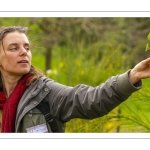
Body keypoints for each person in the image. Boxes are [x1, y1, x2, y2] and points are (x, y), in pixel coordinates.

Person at [0, 26, 150, 133]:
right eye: (14, 48)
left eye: (27, 47)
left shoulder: (45, 91)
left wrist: (131, 77)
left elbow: (91, 100)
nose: (24, 52)